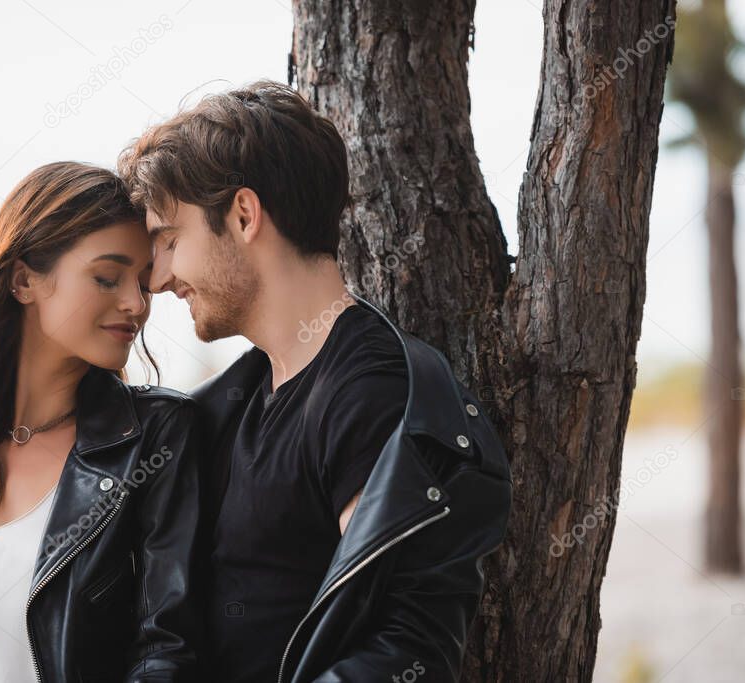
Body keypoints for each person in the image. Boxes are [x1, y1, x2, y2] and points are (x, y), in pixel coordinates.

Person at [118, 81, 513, 683]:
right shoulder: (234, 402)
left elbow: (409, 650)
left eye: (171, 241)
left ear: (244, 216)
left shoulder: (369, 392)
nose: (160, 278)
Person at [0, 161, 202, 683]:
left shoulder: (156, 439)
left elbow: (167, 651)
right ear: (24, 279)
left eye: (142, 283)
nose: (136, 304)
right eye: (107, 277)